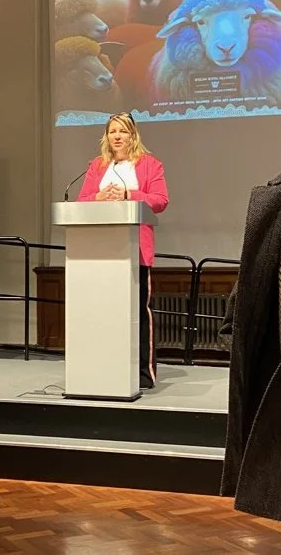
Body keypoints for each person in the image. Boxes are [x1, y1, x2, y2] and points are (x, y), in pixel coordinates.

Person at [76, 112, 169, 389]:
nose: (117, 136)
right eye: (112, 131)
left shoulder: (150, 164)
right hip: (99, 254)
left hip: (135, 251)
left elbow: (160, 200)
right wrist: (99, 197)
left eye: (123, 131)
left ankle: (143, 371)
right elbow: (82, 200)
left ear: (133, 135)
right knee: (103, 312)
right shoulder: (97, 166)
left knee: (138, 312)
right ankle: (104, 367)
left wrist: (129, 195)